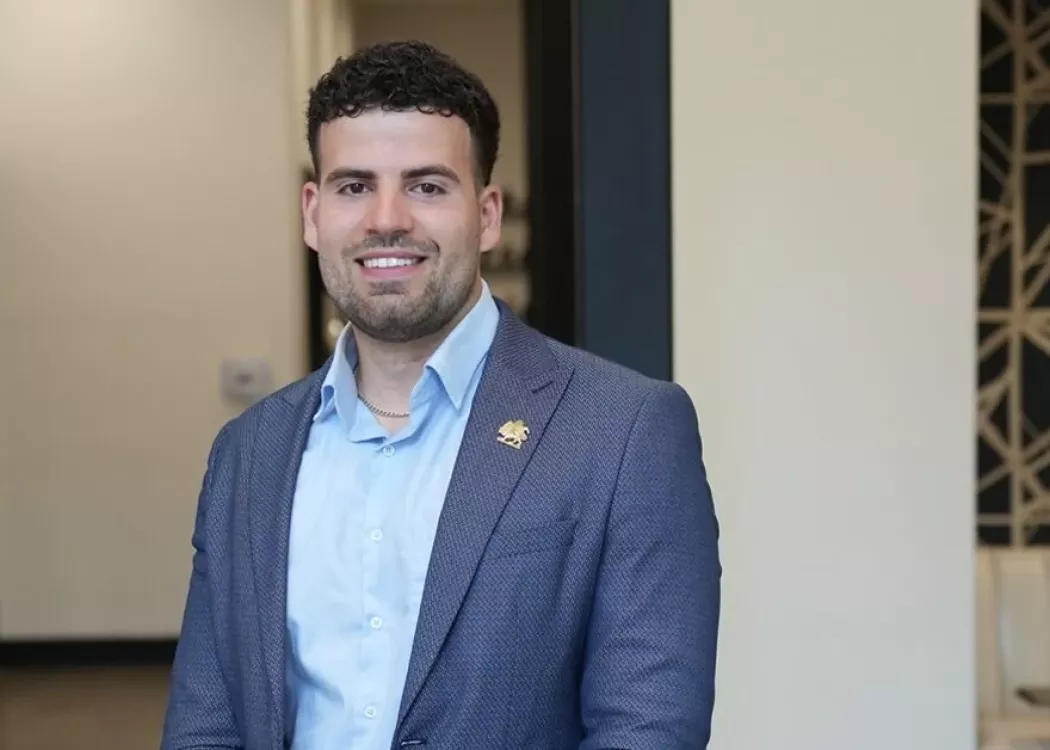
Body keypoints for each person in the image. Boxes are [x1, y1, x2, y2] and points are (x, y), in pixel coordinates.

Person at [161, 40, 720, 750]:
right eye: (354, 186)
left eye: (426, 186)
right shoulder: (248, 453)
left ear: (487, 215)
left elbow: (647, 730)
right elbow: (205, 726)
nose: (386, 219)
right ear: (313, 212)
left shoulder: (625, 431)